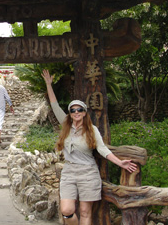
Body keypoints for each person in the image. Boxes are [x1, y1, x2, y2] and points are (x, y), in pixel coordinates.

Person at [41, 69, 137, 225]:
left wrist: (120, 162)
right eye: (73, 110)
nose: (76, 112)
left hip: (88, 172)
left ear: (85, 112)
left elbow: (102, 149)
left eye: (80, 109)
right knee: (67, 210)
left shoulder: (92, 130)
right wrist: (48, 85)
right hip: (69, 171)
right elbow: (54, 105)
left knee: (85, 212)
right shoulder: (65, 124)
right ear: (70, 113)